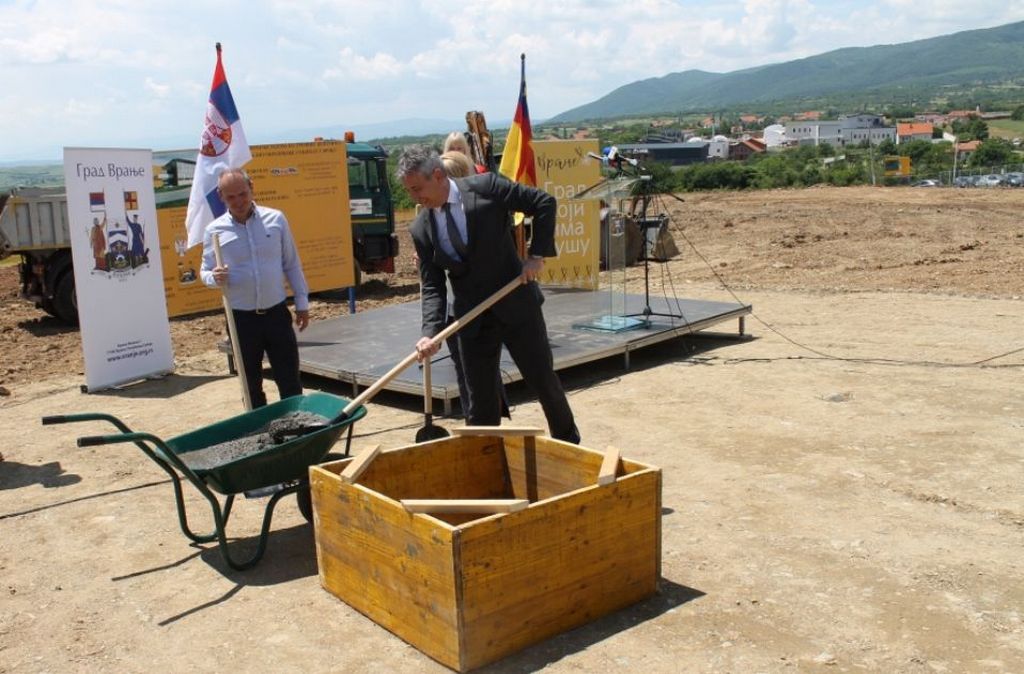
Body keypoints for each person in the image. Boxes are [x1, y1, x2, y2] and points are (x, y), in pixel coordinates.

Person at [397, 145, 579, 443]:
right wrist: (430, 332)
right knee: (479, 401)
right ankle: (484, 457)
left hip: (517, 306)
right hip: (472, 317)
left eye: (418, 189)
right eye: (409, 192)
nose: (415, 198)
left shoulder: (486, 188)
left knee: (543, 382)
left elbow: (543, 202)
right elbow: (432, 285)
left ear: (439, 175)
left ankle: (569, 442)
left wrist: (536, 255)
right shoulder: (421, 228)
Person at [200, 168, 309, 408]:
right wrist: (213, 277)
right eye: (231, 197)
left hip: (276, 314)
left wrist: (302, 304)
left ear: (252, 188)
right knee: (250, 384)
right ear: (221, 197)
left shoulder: (276, 219)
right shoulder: (214, 231)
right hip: (241, 319)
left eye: (242, 193)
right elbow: (204, 271)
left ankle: (297, 429)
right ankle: (260, 433)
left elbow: (291, 264)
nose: (238, 201)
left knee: (289, 378)